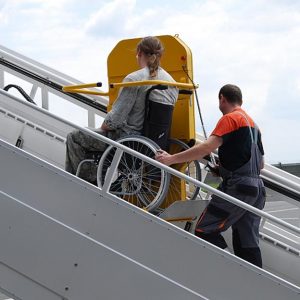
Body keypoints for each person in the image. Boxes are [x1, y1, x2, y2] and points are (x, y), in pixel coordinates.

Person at [156, 84, 266, 268]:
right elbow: (260, 165)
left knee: (204, 230)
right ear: (241, 100)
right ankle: (256, 284)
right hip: (257, 191)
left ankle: (230, 269)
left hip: (238, 187)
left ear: (222, 98)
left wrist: (170, 159)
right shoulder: (254, 125)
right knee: (247, 241)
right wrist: (223, 168)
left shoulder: (229, 119)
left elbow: (207, 147)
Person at [65, 36, 179, 184]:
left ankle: (87, 182)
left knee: (74, 137)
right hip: (152, 144)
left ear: (139, 52)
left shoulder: (134, 79)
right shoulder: (170, 82)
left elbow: (115, 119)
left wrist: (104, 127)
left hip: (126, 140)